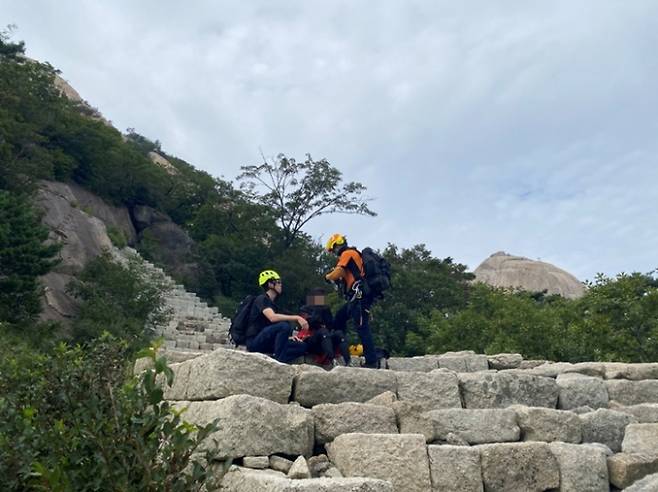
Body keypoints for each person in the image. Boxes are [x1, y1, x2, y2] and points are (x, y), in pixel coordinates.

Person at [324, 233, 378, 368]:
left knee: (362, 327)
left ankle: (372, 361)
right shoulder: (352, 254)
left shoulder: (347, 253)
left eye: (333, 249)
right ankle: (340, 346)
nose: (334, 252)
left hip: (359, 296)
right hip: (356, 297)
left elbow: (339, 272)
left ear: (337, 245)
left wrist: (328, 276)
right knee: (340, 317)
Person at [244, 269, 309, 363]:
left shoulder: (273, 304)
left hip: (267, 340)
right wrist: (297, 317)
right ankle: (280, 361)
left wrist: (287, 338)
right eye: (278, 282)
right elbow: (272, 317)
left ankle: (276, 358)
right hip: (255, 341)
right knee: (283, 326)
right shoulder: (261, 299)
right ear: (270, 284)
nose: (281, 285)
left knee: (302, 346)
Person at [298, 288, 350, 366]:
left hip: (326, 339)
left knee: (339, 334)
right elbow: (307, 324)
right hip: (310, 339)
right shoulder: (305, 309)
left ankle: (348, 361)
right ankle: (331, 360)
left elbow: (331, 325)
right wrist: (318, 314)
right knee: (323, 332)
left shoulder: (326, 310)